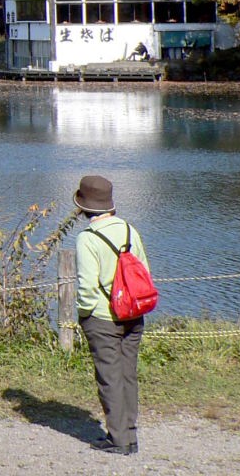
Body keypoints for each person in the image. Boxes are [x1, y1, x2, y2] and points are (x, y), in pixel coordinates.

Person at [74, 174, 148, 456]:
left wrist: (84, 315)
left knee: (109, 378)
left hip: (103, 318)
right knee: (128, 374)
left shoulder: (87, 238)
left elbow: (87, 287)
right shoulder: (130, 230)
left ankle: (118, 440)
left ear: (84, 207)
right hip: (133, 314)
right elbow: (144, 272)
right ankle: (129, 435)